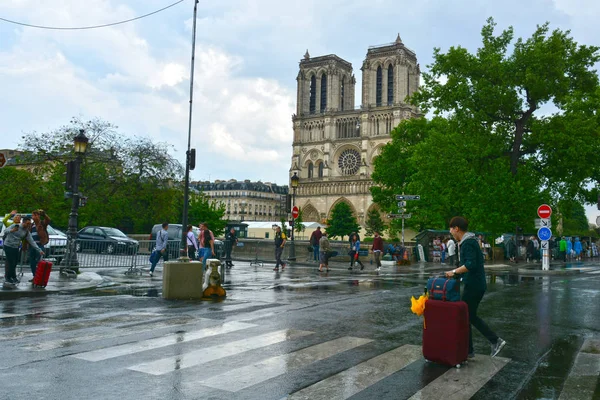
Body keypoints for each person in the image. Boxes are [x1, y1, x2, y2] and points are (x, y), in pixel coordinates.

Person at [445, 216, 506, 359]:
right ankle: (469, 350)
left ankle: (495, 340)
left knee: (468, 315)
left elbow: (470, 264)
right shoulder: (468, 242)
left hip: (474, 285)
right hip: (474, 283)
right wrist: (456, 275)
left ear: (457, 228)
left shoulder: (468, 243)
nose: (450, 231)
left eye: (451, 228)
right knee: (467, 315)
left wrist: (454, 272)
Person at [3, 216, 44, 285]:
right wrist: (12, 230)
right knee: (11, 262)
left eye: (29, 224)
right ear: (23, 222)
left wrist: (39, 250)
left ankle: (13, 277)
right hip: (8, 245)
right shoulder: (15, 225)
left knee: (15, 262)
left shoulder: (26, 231)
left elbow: (32, 241)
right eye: (27, 224)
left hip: (16, 247)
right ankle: (8, 278)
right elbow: (5, 231)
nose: (28, 225)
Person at [27, 209, 51, 280]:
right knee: (32, 262)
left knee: (39, 261)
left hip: (39, 245)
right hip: (32, 246)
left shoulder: (42, 223)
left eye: (36, 215)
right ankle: (35, 276)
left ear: (39, 216)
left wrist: (44, 214)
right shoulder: (31, 225)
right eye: (33, 215)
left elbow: (48, 220)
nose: (34, 217)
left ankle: (39, 277)